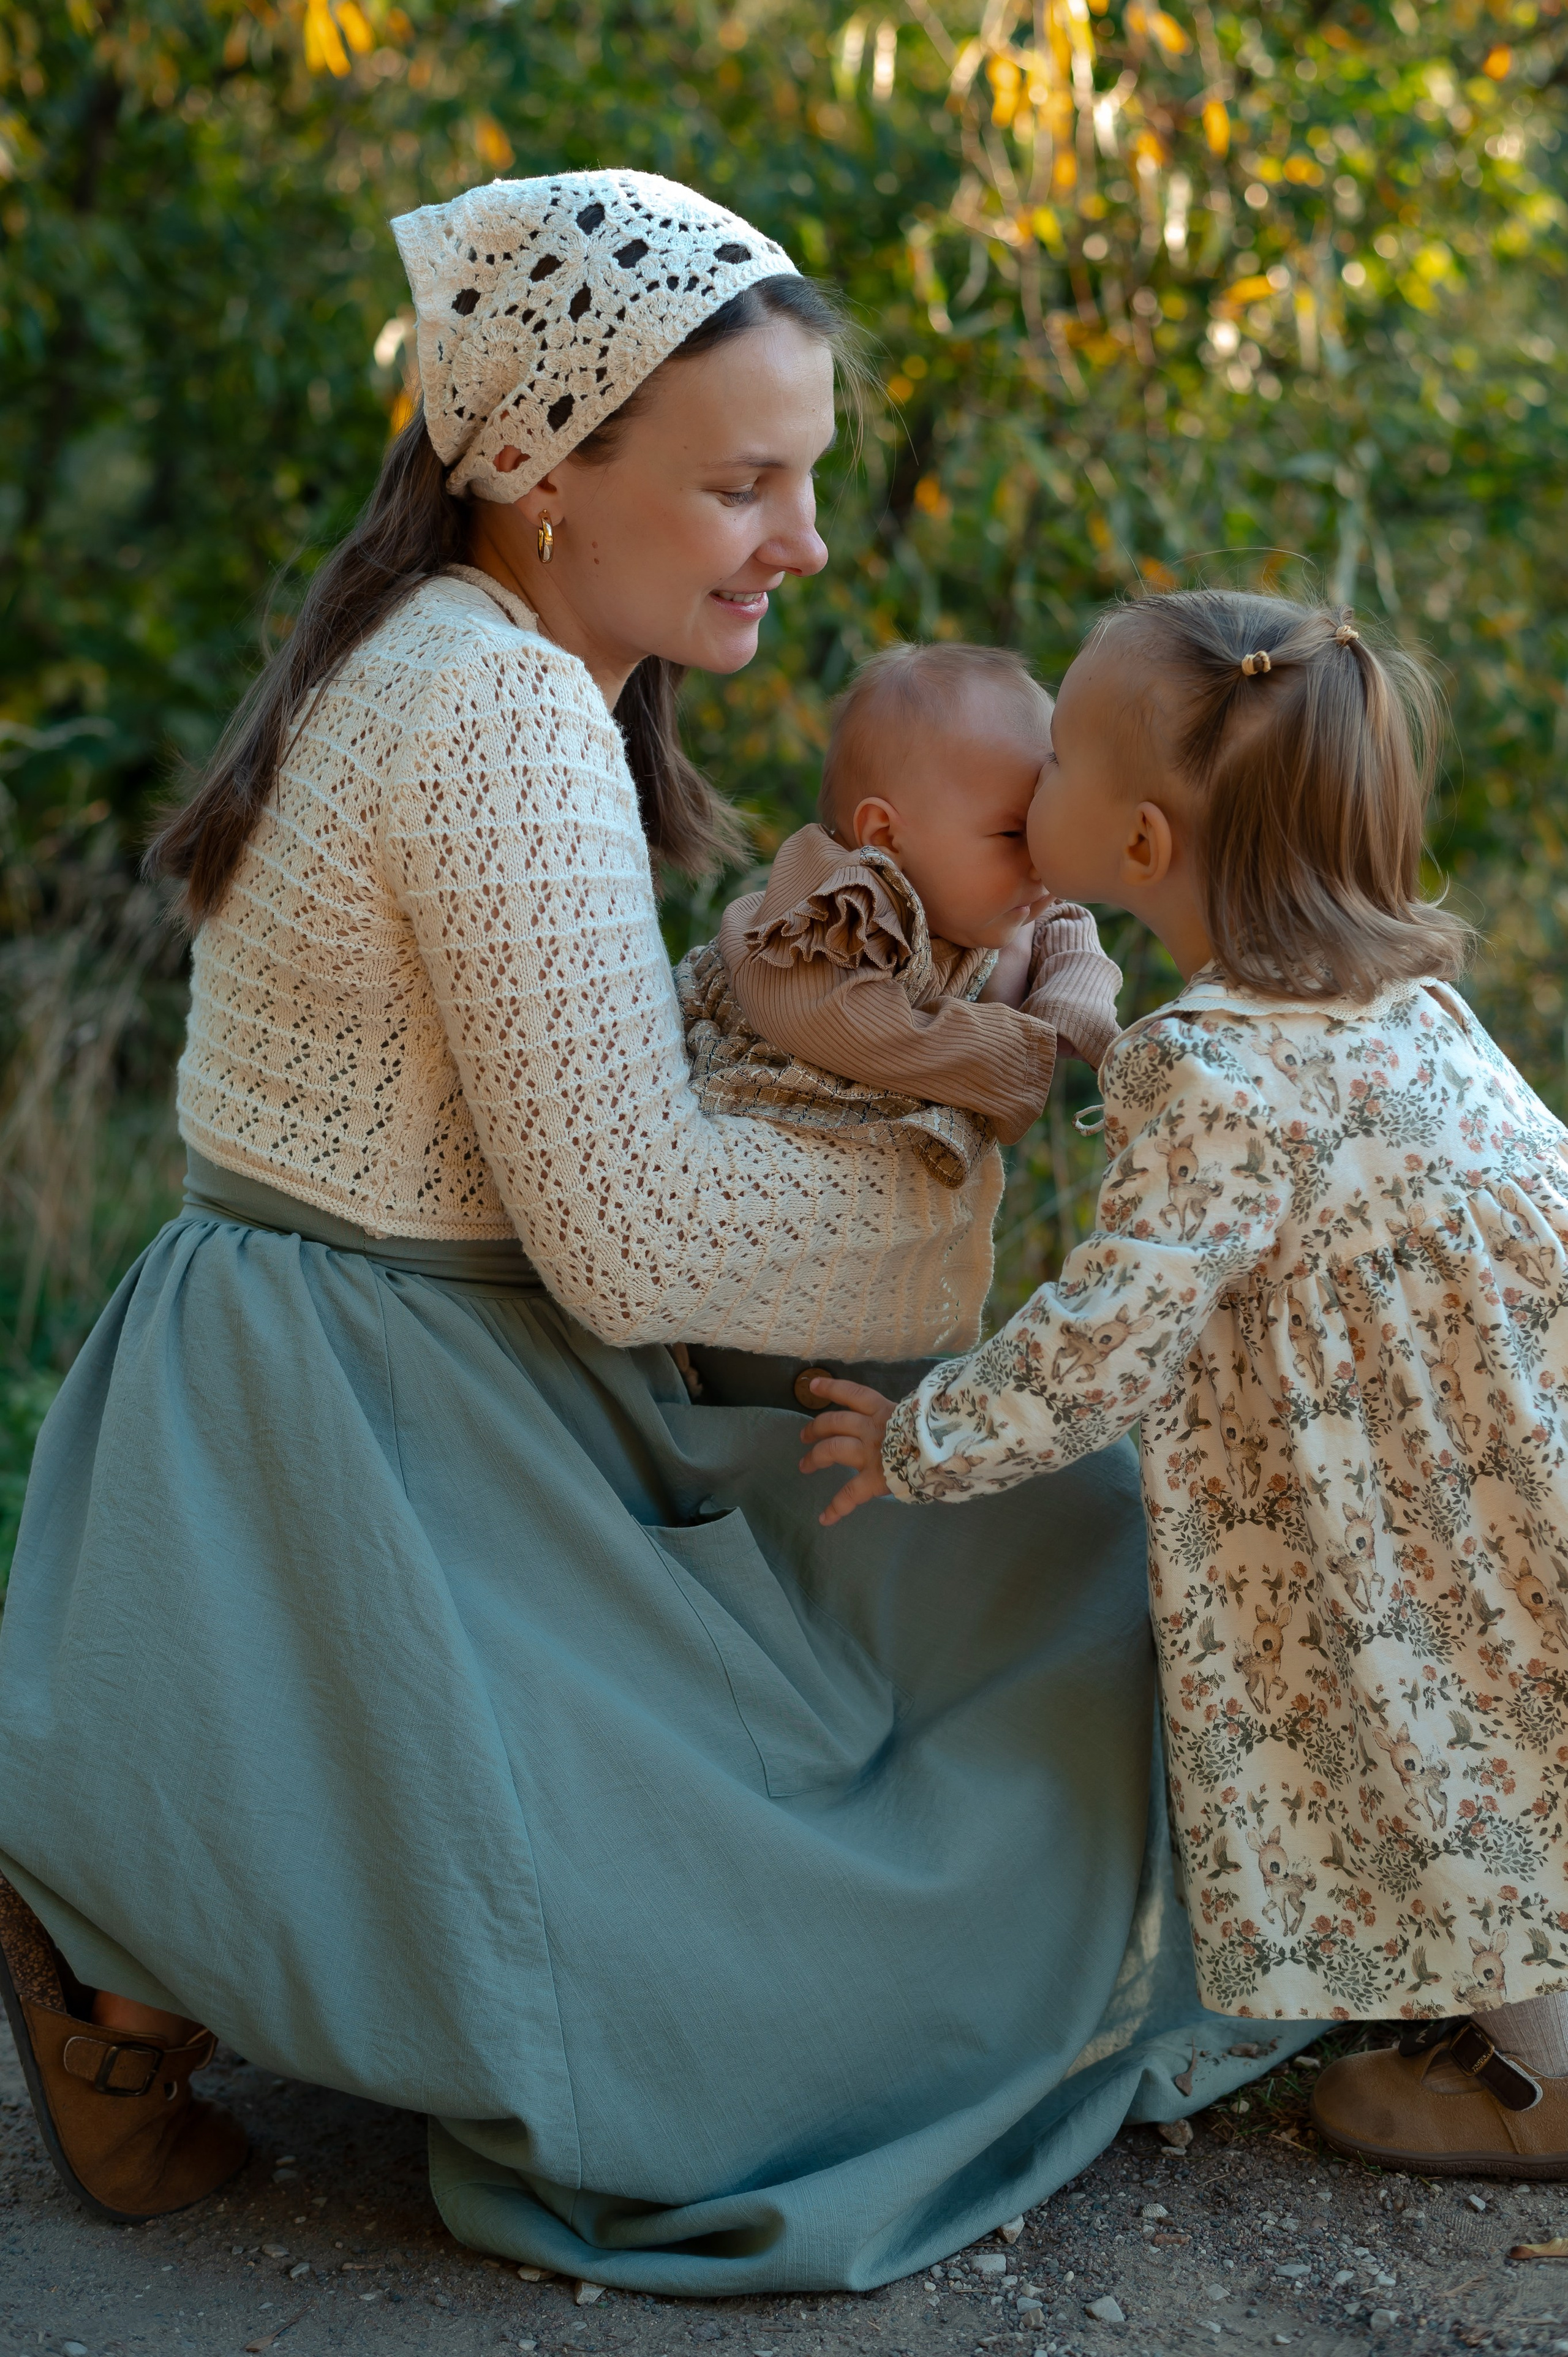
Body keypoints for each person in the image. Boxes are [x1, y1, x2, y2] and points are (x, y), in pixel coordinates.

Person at [0, 178, 1313, 2282]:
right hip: (379, 1419)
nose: (801, 542)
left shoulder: (462, 655)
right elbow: (629, 1233)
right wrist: (954, 1195)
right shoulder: (504, 713)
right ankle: (136, 1911)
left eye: (801, 478)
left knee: (1018, 1543)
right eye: (742, 485)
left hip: (341, 1361)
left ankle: (161, 1903)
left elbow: (606, 1144)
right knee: (801, 1949)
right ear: (539, 472)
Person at [801, 586, 1568, 2179]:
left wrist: (927, 1435)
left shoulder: (1210, 1068)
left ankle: (1542, 2072)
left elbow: (1112, 1330)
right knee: (1525, 1709)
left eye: (1062, 758)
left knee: (1443, 1718)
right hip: (1525, 1432)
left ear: (1141, 850)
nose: (1029, 787)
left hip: (1418, 1497)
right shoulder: (1414, 1001)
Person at [676, 643, 1121, 1199]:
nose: (1039, 864)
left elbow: (1065, 921)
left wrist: (1072, 1006)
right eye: (1013, 835)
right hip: (742, 1154)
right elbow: (839, 1021)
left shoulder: (983, 894)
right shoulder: (839, 908)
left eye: (1043, 833)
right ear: (886, 837)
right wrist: (1014, 1045)